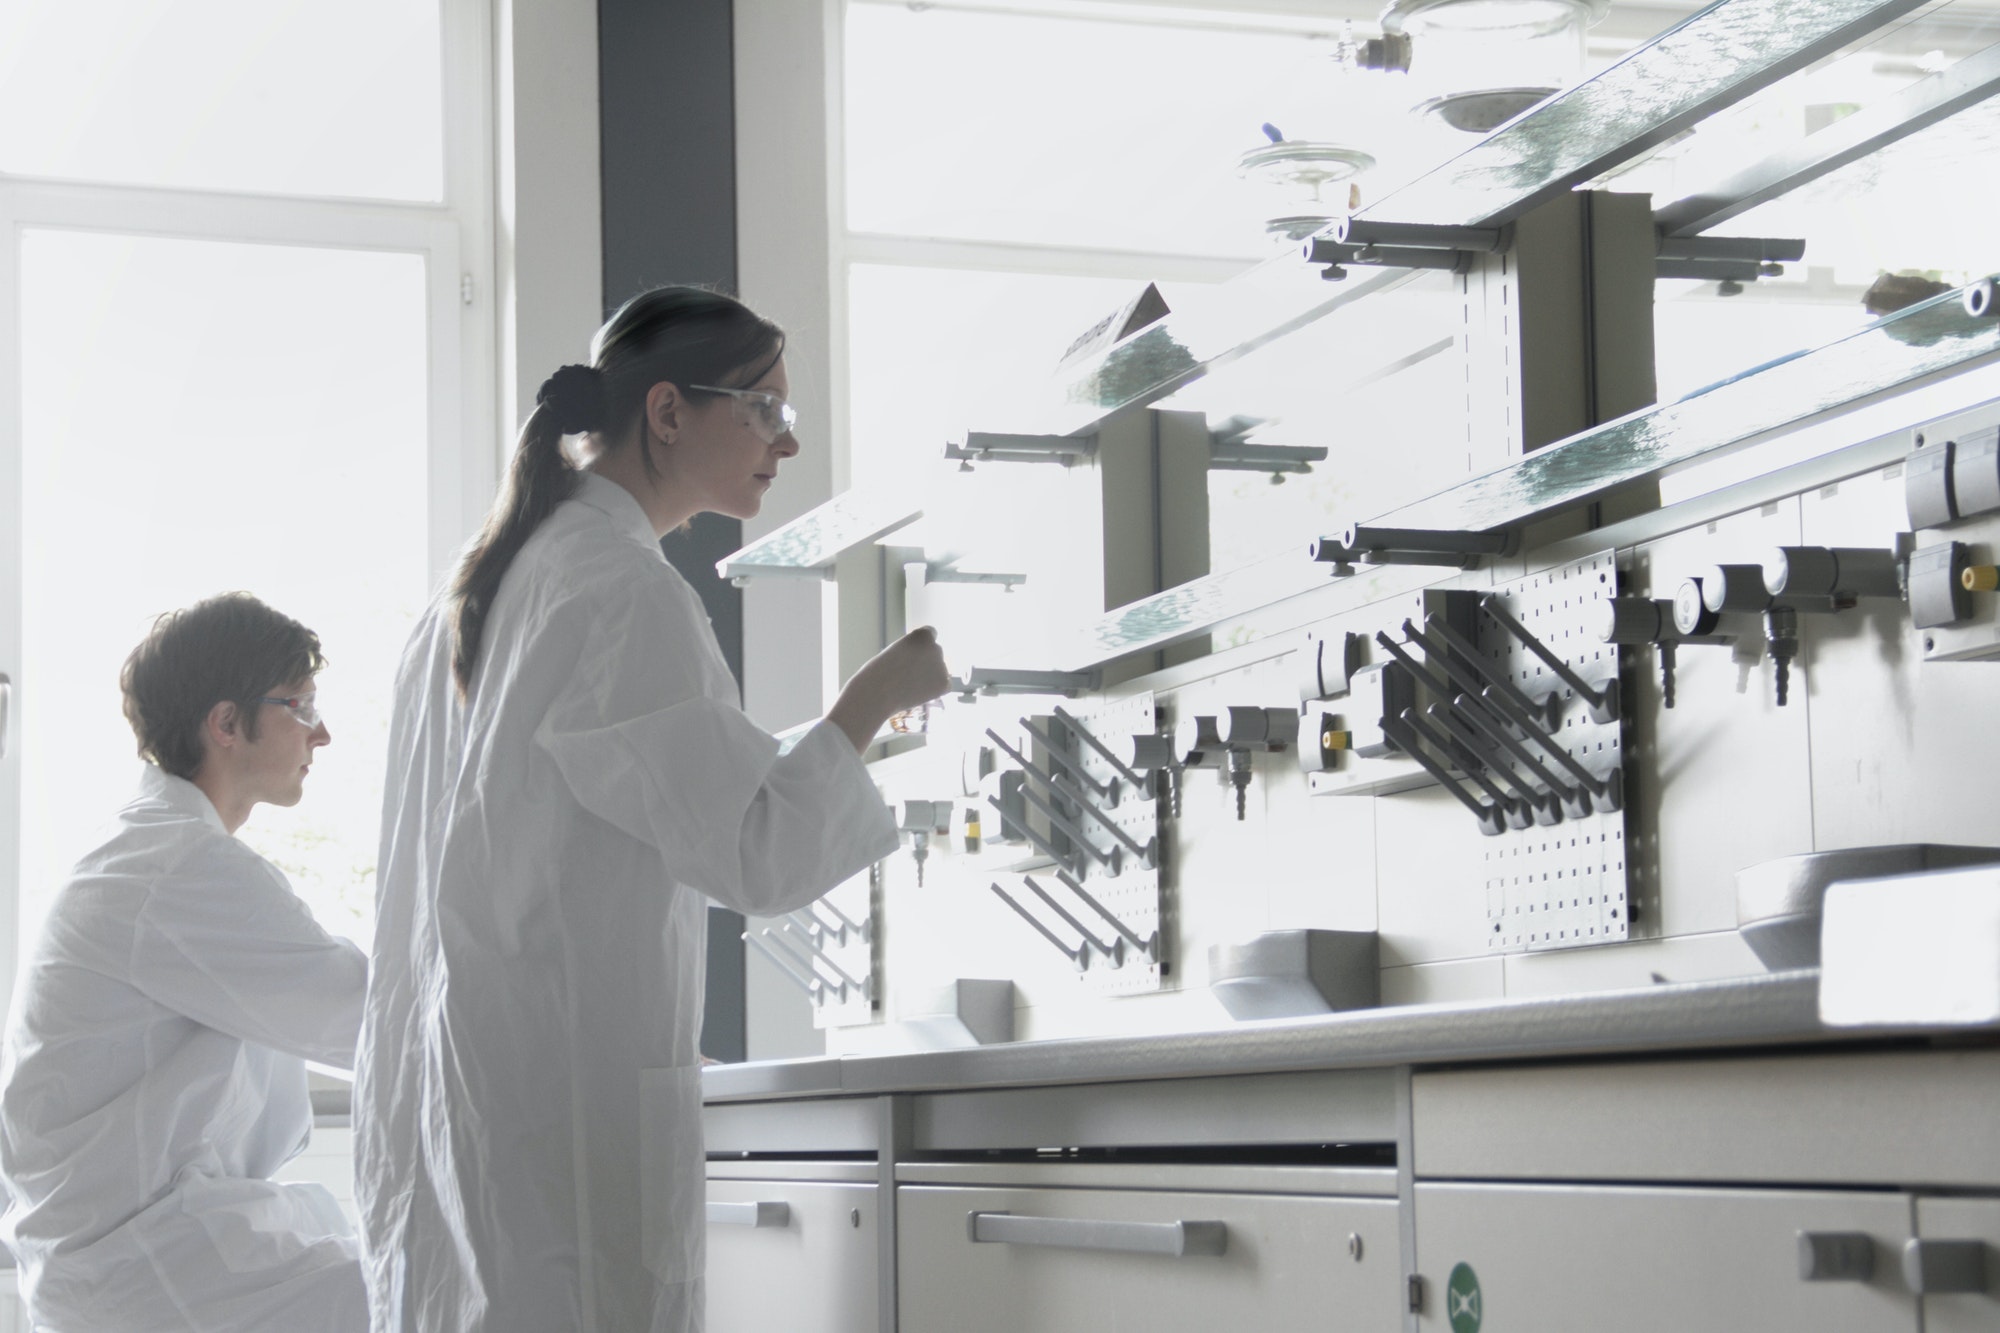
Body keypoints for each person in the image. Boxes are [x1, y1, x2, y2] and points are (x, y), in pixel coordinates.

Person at [356, 286, 949, 1333]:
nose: (789, 438)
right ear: (668, 413)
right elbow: (754, 848)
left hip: (472, 1126)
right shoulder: (617, 590)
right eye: (762, 408)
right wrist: (869, 703)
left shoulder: (477, 591)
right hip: (556, 1139)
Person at [0, 592, 369, 1332]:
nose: (322, 732)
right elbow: (366, 1012)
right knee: (439, 1290)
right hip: (139, 1266)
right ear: (226, 723)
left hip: (124, 1252)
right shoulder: (178, 867)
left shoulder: (158, 849)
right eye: (300, 705)